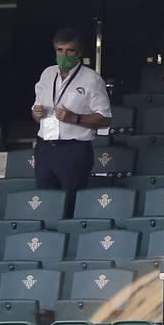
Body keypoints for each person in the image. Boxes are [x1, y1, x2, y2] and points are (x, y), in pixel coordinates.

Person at [31, 28, 112, 200]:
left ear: (79, 52)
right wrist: (36, 113)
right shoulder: (47, 74)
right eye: (60, 50)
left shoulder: (92, 79)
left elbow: (105, 119)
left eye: (70, 50)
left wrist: (75, 118)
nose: (64, 55)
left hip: (73, 150)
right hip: (45, 148)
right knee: (45, 200)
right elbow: (36, 110)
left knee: (70, 200)